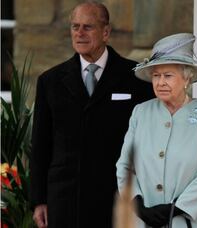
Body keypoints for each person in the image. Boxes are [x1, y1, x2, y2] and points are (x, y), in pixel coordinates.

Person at [29, 1, 154, 228]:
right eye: (75, 26)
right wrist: (39, 201)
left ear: (105, 32)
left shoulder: (137, 79)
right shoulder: (50, 81)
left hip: (117, 200)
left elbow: (147, 144)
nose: (79, 33)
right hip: (65, 201)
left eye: (88, 27)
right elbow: (40, 146)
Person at [116, 33, 197, 227]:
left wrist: (177, 208)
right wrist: (138, 204)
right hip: (141, 221)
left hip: (185, 222)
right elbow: (125, 166)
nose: (160, 82)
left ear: (186, 79)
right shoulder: (141, 113)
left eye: (168, 76)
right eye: (156, 76)